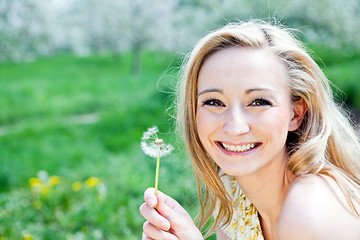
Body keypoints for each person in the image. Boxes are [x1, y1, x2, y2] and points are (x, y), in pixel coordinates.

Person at [139, 20, 360, 240]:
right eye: (214, 102)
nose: (235, 127)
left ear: (296, 114)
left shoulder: (310, 213)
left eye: (258, 102)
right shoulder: (233, 192)